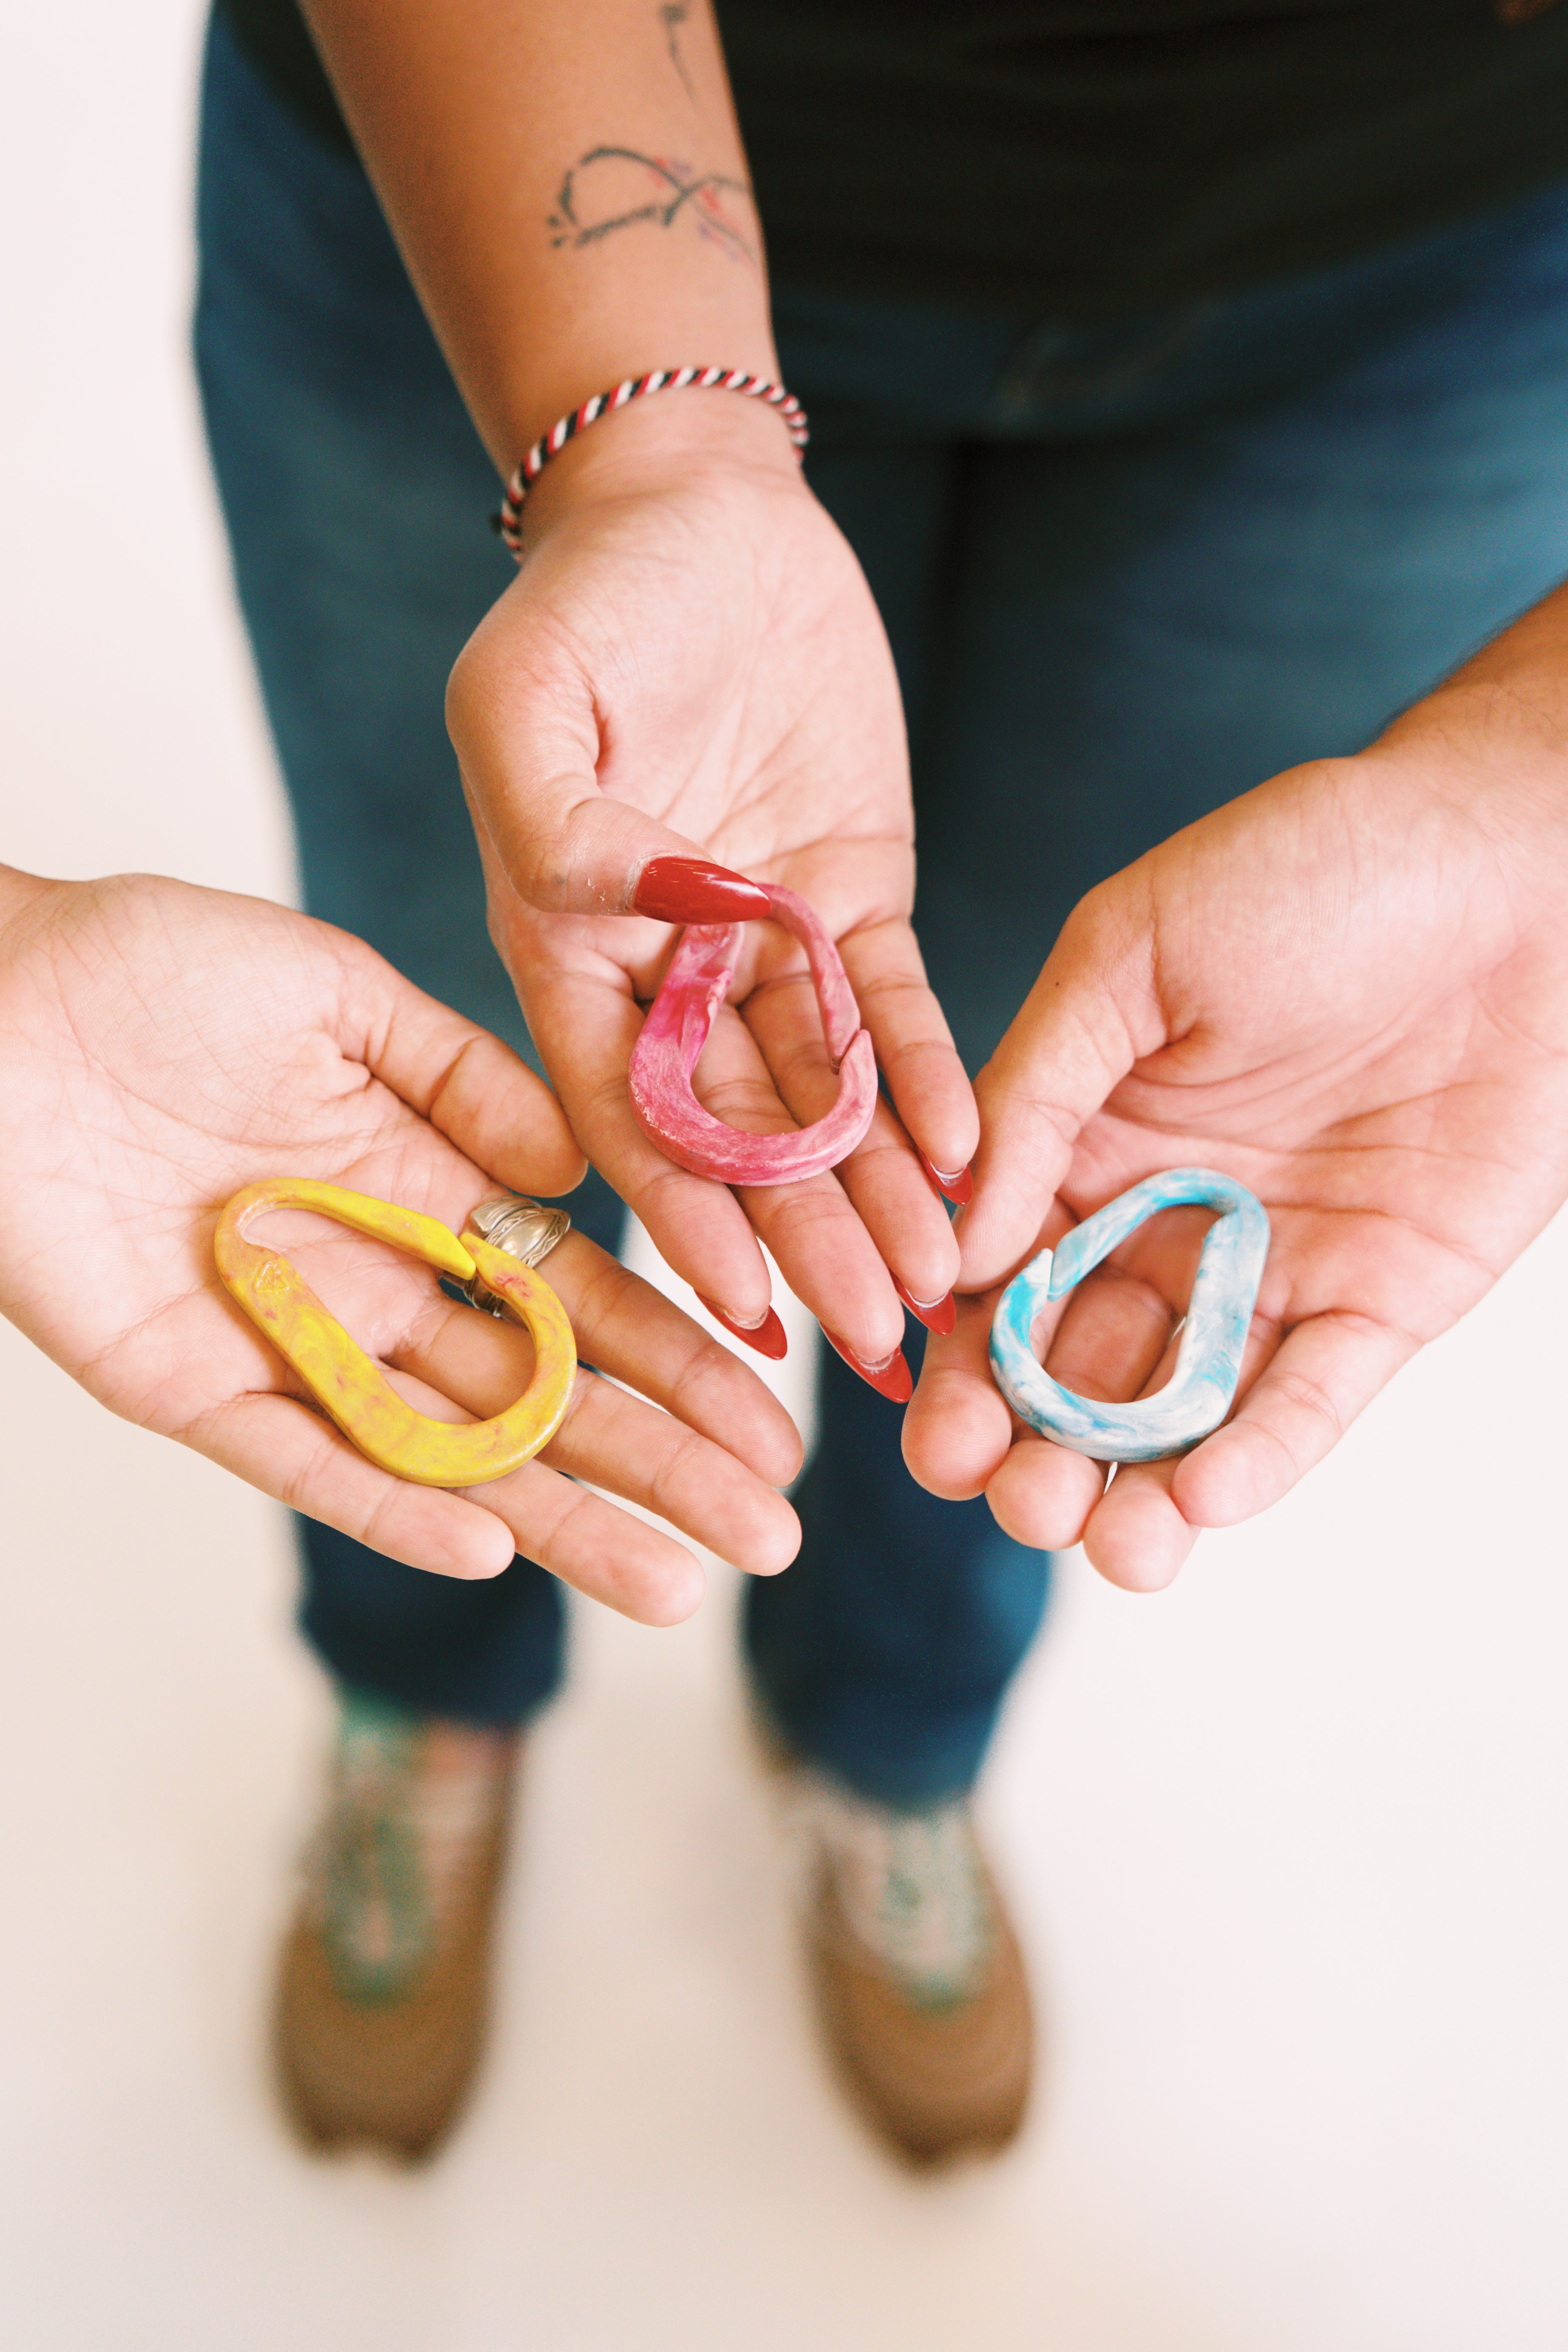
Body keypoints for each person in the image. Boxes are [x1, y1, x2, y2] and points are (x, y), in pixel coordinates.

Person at [182, 0, 1568, 2167]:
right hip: (483, 162)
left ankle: (893, 1745)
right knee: (426, 1075)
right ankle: (421, 1691)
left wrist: (1544, 777)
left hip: (1421, 278)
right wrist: (654, 458)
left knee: (1061, 1135)